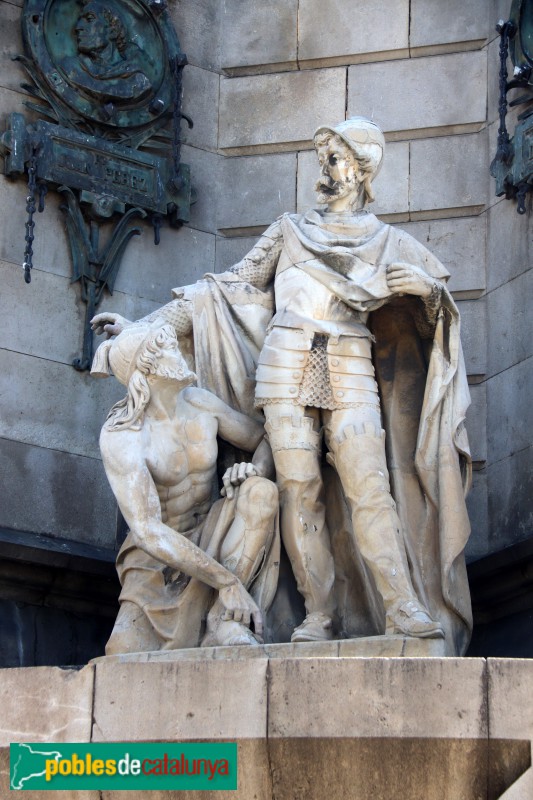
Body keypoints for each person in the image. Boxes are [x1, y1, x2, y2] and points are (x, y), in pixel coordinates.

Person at [93, 117, 473, 656]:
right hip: (284, 363)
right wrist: (145, 330)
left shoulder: (390, 243)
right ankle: (319, 612)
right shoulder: (288, 231)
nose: (327, 169)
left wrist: (430, 294)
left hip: (348, 361)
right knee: (299, 492)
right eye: (325, 158)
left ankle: (401, 605)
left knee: (370, 486)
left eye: (338, 159)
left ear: (363, 171)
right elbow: (222, 291)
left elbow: (438, 320)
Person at [91, 322, 279, 654]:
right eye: (168, 349)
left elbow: (266, 435)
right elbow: (148, 531)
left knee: (261, 491)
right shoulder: (123, 436)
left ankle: (226, 621)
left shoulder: (200, 403)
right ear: (147, 371)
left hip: (214, 534)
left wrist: (255, 468)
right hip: (158, 561)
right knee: (122, 652)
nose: (178, 351)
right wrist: (225, 580)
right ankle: (222, 596)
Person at [61, 0, 151, 104]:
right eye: (80, 20)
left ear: (112, 31)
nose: (78, 27)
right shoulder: (70, 68)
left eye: (89, 19)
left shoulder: (138, 82)